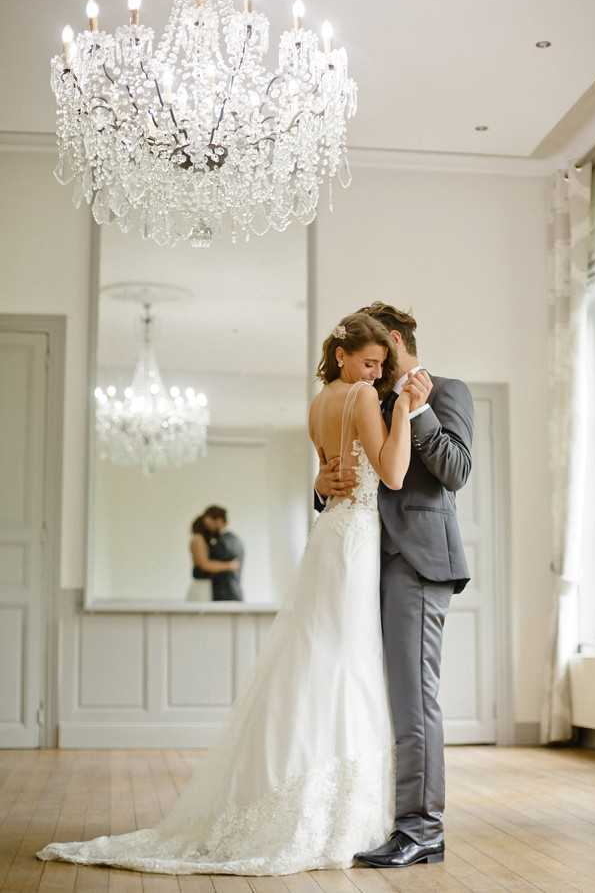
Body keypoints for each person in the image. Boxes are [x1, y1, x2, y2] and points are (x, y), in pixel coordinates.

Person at [36, 312, 413, 875]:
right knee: (344, 660)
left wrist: (324, 479)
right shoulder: (363, 396)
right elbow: (393, 473)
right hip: (355, 538)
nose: (376, 372)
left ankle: (294, 793)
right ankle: (330, 808)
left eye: (382, 366)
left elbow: (328, 473)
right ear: (342, 355)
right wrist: (403, 405)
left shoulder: (317, 405)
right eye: (369, 361)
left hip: (329, 535)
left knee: (316, 658)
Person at [315, 301, 474, 869]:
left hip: (417, 563)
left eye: (385, 349)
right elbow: (354, 471)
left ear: (401, 338)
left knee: (412, 700)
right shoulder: (365, 393)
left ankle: (422, 829)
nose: (376, 365)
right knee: (366, 697)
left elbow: (455, 471)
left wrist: (421, 409)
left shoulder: (449, 389)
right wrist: (321, 480)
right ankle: (380, 817)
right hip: (360, 563)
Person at [188, 506, 244, 602]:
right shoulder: (198, 539)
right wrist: (229, 565)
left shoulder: (219, 539)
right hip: (203, 587)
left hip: (213, 589)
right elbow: (204, 564)